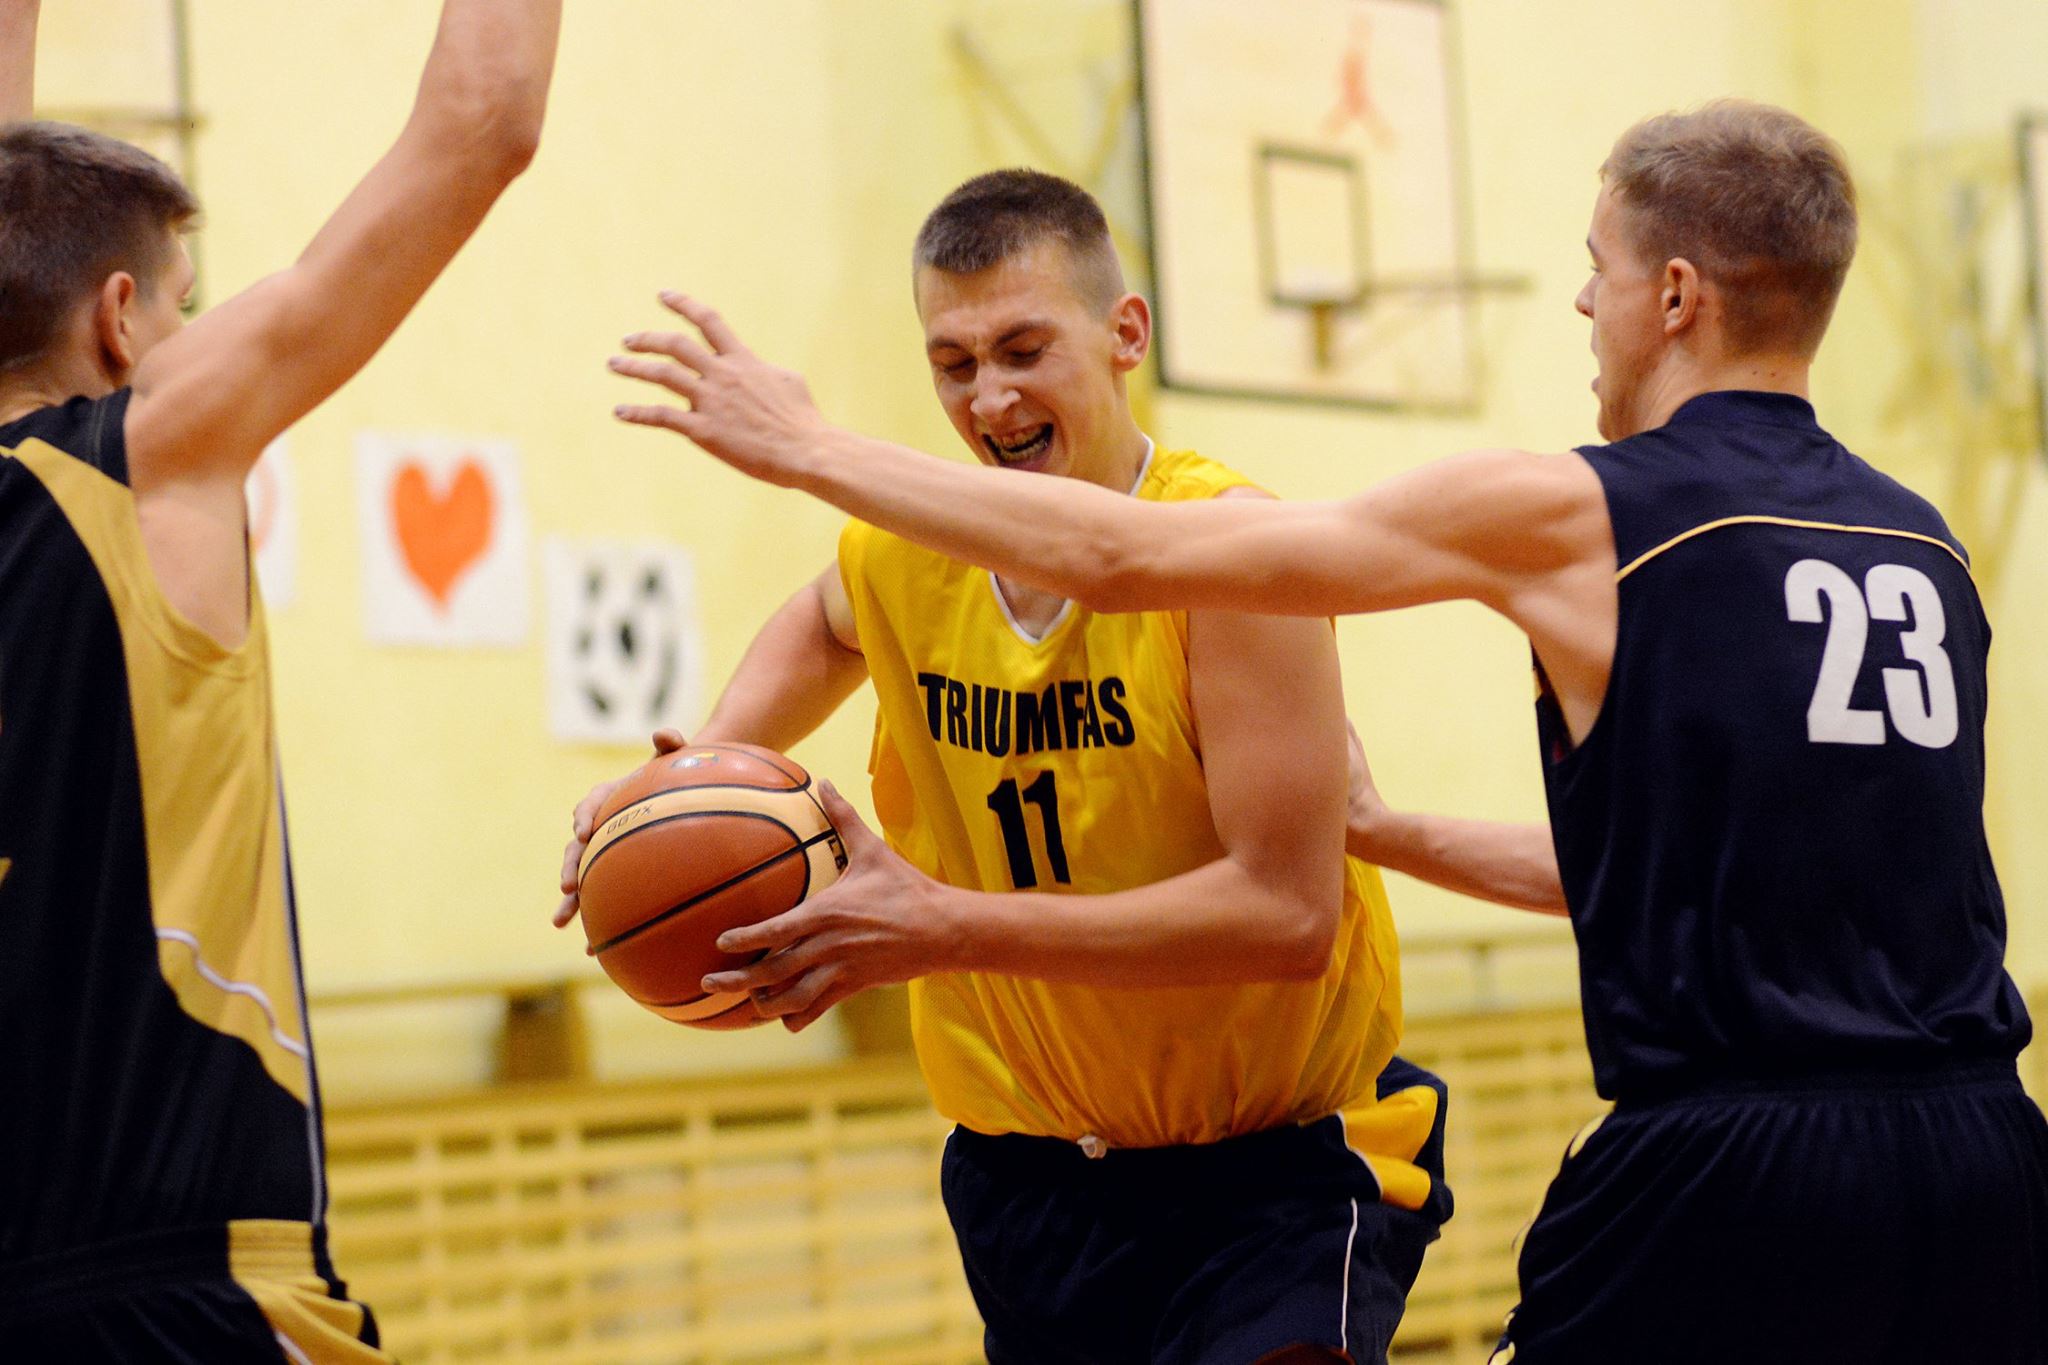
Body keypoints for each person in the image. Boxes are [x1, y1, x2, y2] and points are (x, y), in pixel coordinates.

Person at [609, 103, 2048, 1364]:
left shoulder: (1580, 507)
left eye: (1595, 272)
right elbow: (1706, 882)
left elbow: (1124, 556)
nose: (1580, 305)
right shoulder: (1921, 543)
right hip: (1986, 1153)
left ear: (1673, 296)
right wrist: (1388, 832)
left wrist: (809, 448)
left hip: (1733, 1153)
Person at [567, 170, 1460, 1364]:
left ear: (1124, 333)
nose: (989, 398)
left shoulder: (1236, 553)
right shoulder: (908, 551)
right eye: (953, 364)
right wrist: (695, 777)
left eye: (1023, 350)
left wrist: (944, 927)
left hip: (1271, 1176)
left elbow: (1285, 916)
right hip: (1028, 1183)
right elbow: (827, 617)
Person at [0, 1, 560, 1358]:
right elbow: (482, 123)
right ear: (121, 320)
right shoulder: (143, 459)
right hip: (179, 1284)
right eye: (184, 304)